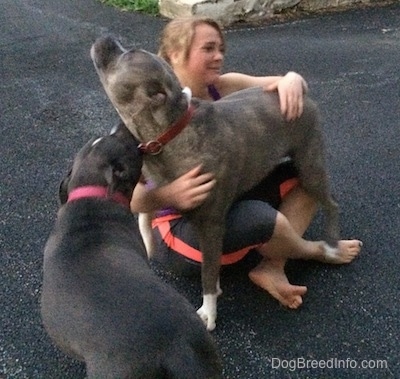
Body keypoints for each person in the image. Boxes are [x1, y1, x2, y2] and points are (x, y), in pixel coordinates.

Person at [130, 16, 362, 309]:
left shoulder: (222, 87)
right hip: (181, 230)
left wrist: (291, 78)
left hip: (229, 193)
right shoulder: (155, 115)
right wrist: (170, 194)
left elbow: (282, 84)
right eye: (209, 49)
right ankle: (311, 250)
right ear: (175, 53)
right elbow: (131, 199)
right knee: (263, 219)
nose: (219, 57)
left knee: (309, 180)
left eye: (221, 49)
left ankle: (272, 266)